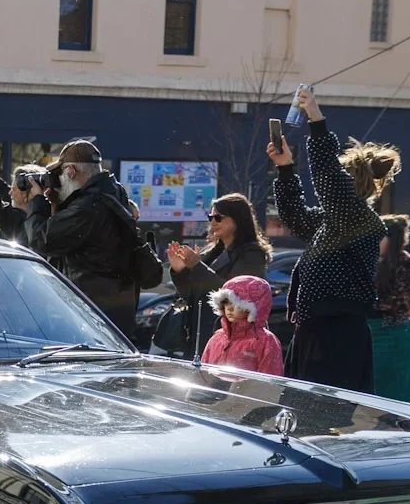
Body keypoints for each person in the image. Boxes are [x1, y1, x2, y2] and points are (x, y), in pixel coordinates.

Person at [269, 87, 397, 393]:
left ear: (347, 184)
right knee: (304, 413)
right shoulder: (333, 220)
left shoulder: (359, 218)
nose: (327, 191)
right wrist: (285, 168)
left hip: (337, 332)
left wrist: (315, 117)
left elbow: (327, 174)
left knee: (328, 420)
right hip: (314, 327)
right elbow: (294, 216)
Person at [17, 141, 146, 337]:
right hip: (114, 311)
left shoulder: (88, 208)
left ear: (70, 171)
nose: (57, 182)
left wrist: (37, 201)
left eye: (59, 175)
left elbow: (41, 240)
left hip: (92, 315)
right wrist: (57, 204)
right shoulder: (113, 194)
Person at [164, 193, 270, 357]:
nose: (213, 222)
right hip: (200, 334)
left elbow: (236, 295)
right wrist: (180, 271)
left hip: (232, 338)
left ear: (238, 219)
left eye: (219, 217)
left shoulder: (252, 253)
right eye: (211, 217)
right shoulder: (211, 253)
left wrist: (197, 266)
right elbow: (192, 295)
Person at [369, 214, 410, 401]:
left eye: (378, 237)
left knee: (393, 393)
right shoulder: (370, 261)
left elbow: (402, 302)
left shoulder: (406, 263)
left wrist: (364, 303)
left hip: (393, 333)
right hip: (369, 332)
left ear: (393, 240)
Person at [201, 274, 284, 376]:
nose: (229, 308)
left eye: (236, 304)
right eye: (226, 303)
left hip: (245, 392)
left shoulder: (266, 341)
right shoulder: (217, 338)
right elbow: (203, 373)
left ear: (254, 307)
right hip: (214, 391)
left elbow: (269, 381)